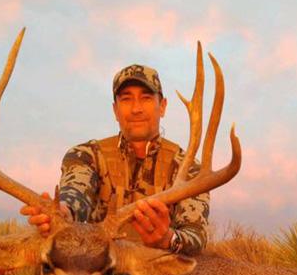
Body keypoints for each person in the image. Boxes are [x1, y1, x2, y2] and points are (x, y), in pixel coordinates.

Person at [20, 64, 209, 255]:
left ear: (162, 106)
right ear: (115, 110)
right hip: (98, 270)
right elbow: (76, 192)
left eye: (146, 98)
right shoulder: (87, 155)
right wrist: (62, 212)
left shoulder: (188, 167)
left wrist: (168, 239)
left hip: (161, 274)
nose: (136, 109)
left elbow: (196, 235)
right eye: (126, 99)